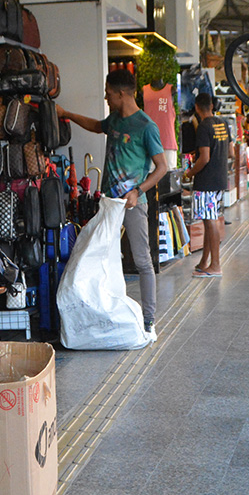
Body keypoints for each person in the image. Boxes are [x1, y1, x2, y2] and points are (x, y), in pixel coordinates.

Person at [58, 69, 168, 335]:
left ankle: (149, 319)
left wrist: (136, 191)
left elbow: (162, 167)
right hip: (107, 204)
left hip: (132, 204)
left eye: (109, 93)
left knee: (142, 262)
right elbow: (98, 126)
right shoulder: (116, 119)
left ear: (121, 94)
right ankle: (102, 313)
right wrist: (68, 115)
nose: (106, 97)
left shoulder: (146, 126)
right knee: (99, 257)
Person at [182, 93, 230, 277]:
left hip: (206, 181)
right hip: (219, 179)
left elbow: (204, 158)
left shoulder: (203, 126)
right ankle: (205, 262)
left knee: (210, 222)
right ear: (211, 105)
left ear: (196, 107)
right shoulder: (223, 123)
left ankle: (215, 265)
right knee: (211, 219)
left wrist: (189, 173)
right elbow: (231, 152)